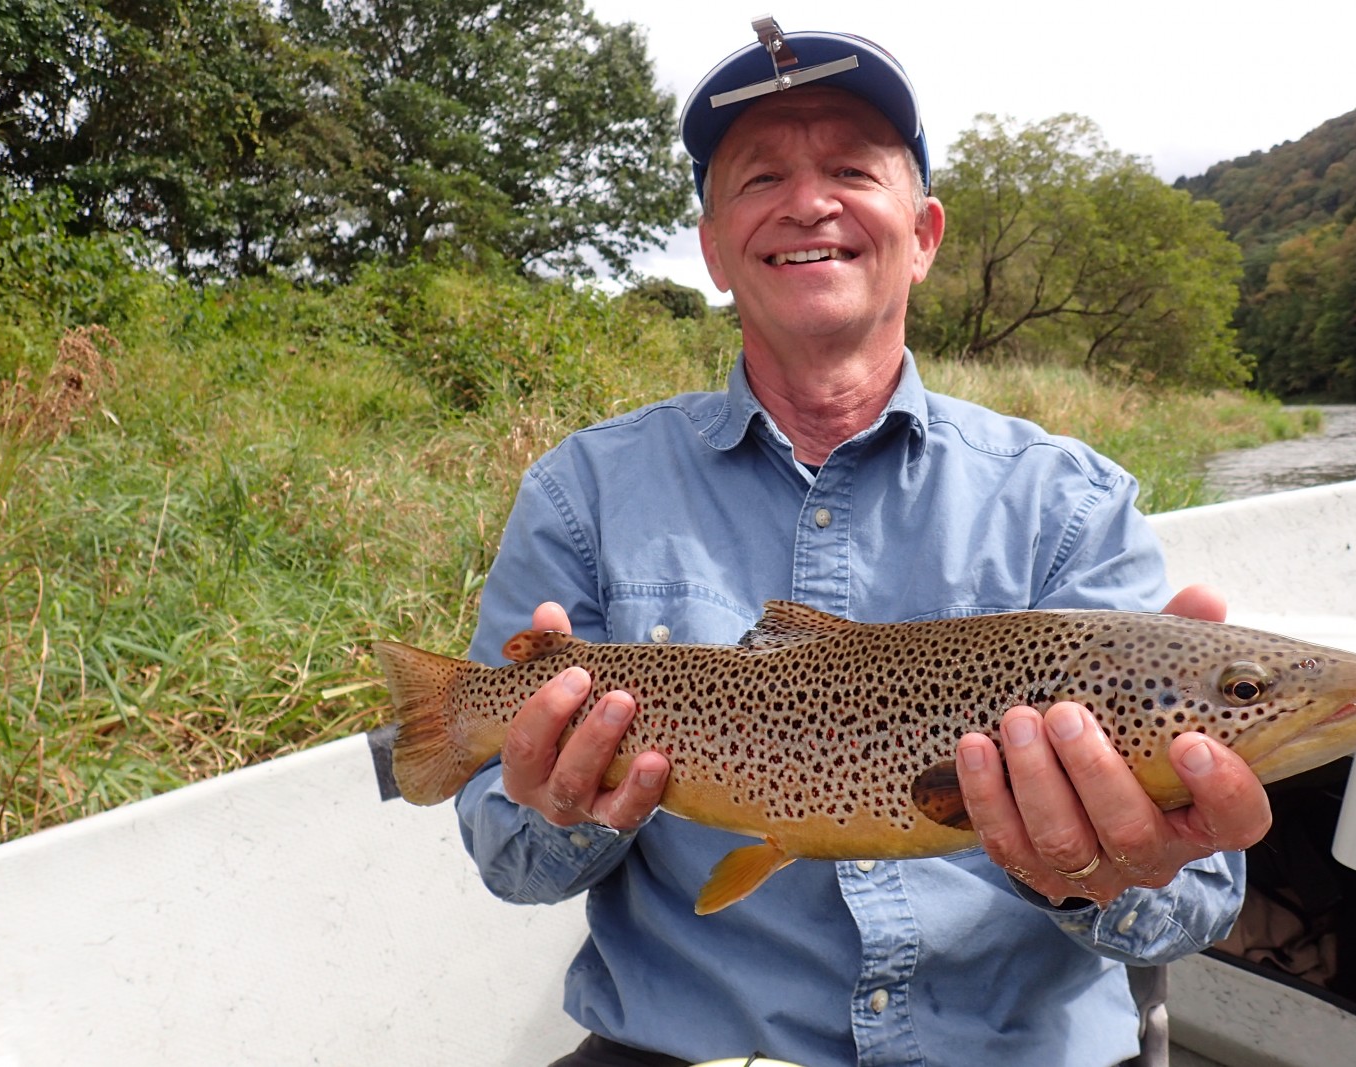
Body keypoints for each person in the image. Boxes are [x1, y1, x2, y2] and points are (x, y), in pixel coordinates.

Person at [456, 18, 1271, 1067]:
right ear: (711, 248)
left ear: (924, 234)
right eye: (759, 179)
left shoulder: (1068, 502)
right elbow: (513, 862)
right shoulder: (583, 492)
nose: (808, 202)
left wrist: (1101, 867)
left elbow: (1193, 906)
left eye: (850, 167)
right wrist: (558, 804)